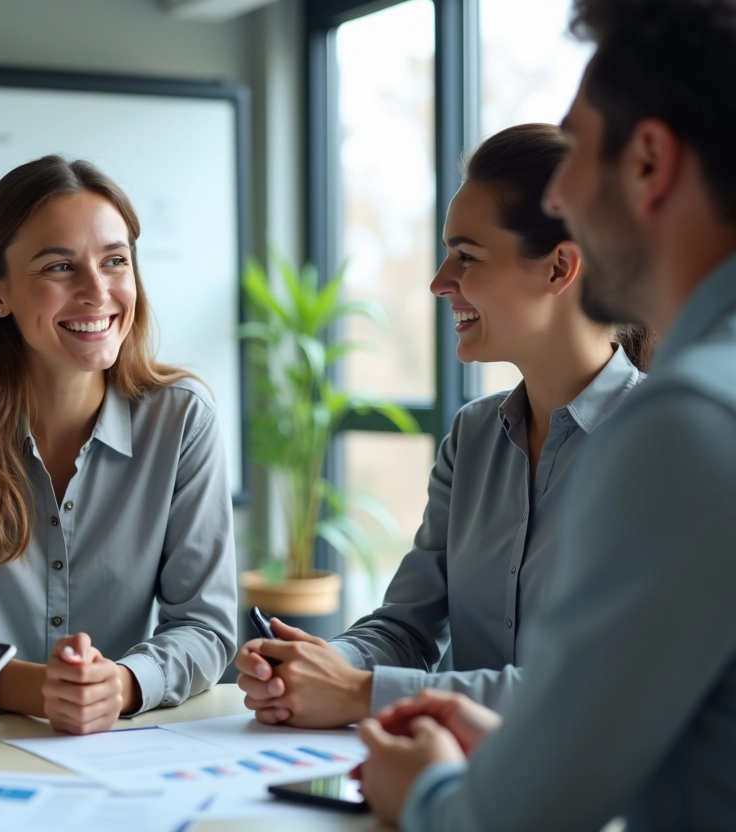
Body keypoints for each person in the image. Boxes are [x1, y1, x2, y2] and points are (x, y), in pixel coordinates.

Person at [354, 0, 736, 829]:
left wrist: (424, 788)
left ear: (649, 161)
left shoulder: (686, 424)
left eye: (579, 148)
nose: (563, 192)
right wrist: (521, 744)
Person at [235, 123, 653, 728]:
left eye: (467, 256)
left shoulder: (659, 445)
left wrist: (359, 694)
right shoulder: (473, 436)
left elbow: (594, 688)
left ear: (560, 267)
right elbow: (407, 629)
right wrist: (322, 664)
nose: (438, 282)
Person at [0, 155, 237, 735]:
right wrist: (46, 689)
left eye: (115, 261)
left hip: (123, 745)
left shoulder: (183, 418)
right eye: (60, 267)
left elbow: (205, 628)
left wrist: (121, 684)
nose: (98, 291)